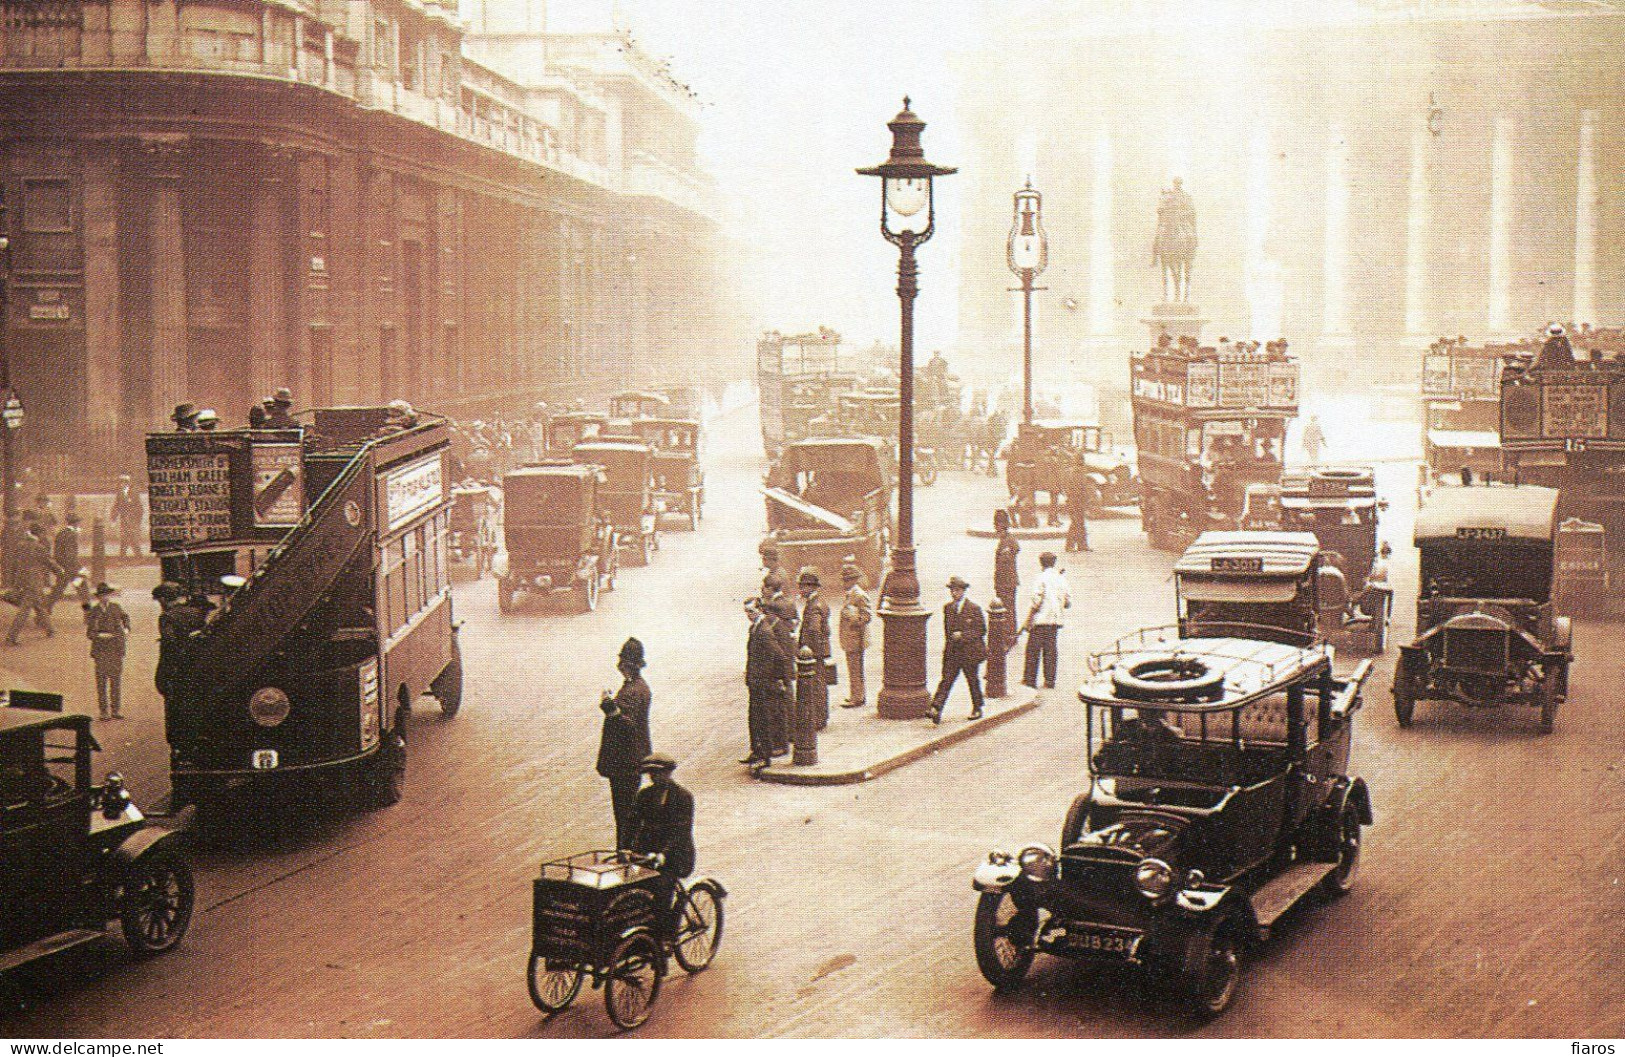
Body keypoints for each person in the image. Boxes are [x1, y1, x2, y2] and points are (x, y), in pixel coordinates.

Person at [627, 752, 695, 932]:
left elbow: (681, 831)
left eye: (658, 773)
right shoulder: (644, 795)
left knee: (662, 889)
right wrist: (626, 849)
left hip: (675, 855)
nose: (654, 778)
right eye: (651, 774)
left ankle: (665, 936)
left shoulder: (683, 797)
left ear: (668, 773)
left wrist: (663, 854)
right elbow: (633, 822)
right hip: (648, 854)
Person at [597, 638, 653, 850]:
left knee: (624, 811)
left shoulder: (633, 690)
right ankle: (626, 848)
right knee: (626, 809)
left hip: (625, 761)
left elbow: (626, 724)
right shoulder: (638, 687)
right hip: (633, 758)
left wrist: (608, 706)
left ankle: (625, 850)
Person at [930, 576, 987, 724]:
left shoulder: (974, 609)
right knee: (946, 680)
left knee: (972, 680)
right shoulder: (948, 608)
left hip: (969, 652)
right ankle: (936, 708)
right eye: (952, 591)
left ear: (963, 591)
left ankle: (977, 707)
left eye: (956, 591)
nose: (954, 594)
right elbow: (947, 632)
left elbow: (981, 630)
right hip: (953, 653)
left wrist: (963, 635)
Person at [741, 599, 784, 768]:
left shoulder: (764, 631)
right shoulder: (755, 627)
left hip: (762, 683)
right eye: (746, 612)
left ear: (760, 610)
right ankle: (757, 751)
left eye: (751, 611)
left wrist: (771, 677)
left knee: (763, 719)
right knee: (754, 718)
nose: (749, 616)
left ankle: (765, 757)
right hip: (755, 682)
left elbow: (778, 655)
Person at [1021, 552, 1071, 690]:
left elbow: (1036, 601)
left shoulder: (1040, 578)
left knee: (1032, 650)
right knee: (1051, 651)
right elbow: (1068, 603)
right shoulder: (1061, 579)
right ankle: (1050, 680)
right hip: (1055, 621)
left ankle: (1030, 679)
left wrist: (1028, 620)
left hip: (1041, 620)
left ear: (1041, 563)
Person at [7, 525, 63, 645]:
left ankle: (50, 630)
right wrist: (60, 571)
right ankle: (11, 637)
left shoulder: (20, 546)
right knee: (25, 609)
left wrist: (15, 582)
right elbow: (48, 562)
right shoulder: (38, 547)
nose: (44, 536)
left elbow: (14, 565)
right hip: (34, 581)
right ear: (40, 534)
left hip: (22, 579)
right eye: (43, 533)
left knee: (39, 605)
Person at [84, 582, 130, 720]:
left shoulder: (116, 607)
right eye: (102, 595)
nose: (105, 597)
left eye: (107, 595)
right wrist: (98, 635)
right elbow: (89, 633)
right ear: (98, 597)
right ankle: (104, 711)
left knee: (116, 680)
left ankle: (115, 709)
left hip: (116, 647)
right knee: (101, 681)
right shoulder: (94, 611)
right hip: (101, 650)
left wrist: (127, 629)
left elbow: (125, 617)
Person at [796, 568, 831, 722]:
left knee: (816, 686)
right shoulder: (819, 602)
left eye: (803, 587)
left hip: (814, 653)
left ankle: (817, 719)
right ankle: (820, 717)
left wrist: (807, 651)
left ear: (811, 587)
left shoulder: (814, 605)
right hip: (818, 651)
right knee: (819, 685)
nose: (801, 590)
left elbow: (814, 630)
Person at [837, 561, 871, 709]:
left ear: (854, 580)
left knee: (855, 669)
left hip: (856, 638)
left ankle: (856, 697)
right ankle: (858, 695)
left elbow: (867, 616)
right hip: (852, 638)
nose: (844, 582)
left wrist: (853, 618)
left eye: (847, 579)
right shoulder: (852, 594)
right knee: (855, 669)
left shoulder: (859, 595)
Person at [767, 598, 798, 757]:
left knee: (784, 708)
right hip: (783, 674)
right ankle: (791, 735)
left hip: (783, 675)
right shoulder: (778, 627)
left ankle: (788, 738)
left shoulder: (779, 630)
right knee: (785, 707)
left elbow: (784, 656)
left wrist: (785, 680)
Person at [47, 513, 87, 613]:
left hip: (63, 567)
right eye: (79, 522)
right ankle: (89, 616)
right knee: (84, 591)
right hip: (71, 569)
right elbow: (70, 556)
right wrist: (80, 568)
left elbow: (57, 553)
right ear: (76, 523)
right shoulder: (72, 535)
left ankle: (44, 611)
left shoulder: (62, 533)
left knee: (57, 591)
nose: (80, 524)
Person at [993, 507, 1020, 622]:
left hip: (1006, 584)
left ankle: (1009, 636)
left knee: (1007, 611)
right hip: (1005, 583)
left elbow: (1004, 566)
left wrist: (999, 583)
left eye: (996, 524)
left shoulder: (1007, 542)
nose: (994, 527)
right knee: (1008, 611)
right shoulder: (1006, 540)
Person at [110, 474, 143, 558]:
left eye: (123, 482)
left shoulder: (134, 492)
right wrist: (113, 519)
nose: (121, 484)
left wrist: (137, 520)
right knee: (124, 537)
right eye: (120, 483)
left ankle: (138, 556)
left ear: (127, 483)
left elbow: (139, 507)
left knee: (133, 538)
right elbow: (116, 506)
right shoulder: (120, 493)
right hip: (124, 519)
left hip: (133, 519)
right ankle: (122, 556)